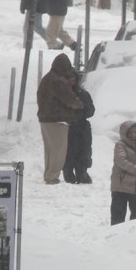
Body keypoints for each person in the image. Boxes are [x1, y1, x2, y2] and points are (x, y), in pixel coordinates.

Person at [36, 54, 84, 185]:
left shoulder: (47, 78)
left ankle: (49, 174)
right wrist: (79, 104)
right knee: (59, 151)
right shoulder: (58, 81)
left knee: (50, 150)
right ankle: (52, 177)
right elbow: (69, 99)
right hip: (57, 120)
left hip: (44, 119)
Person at [110, 120, 136, 224]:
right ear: (124, 133)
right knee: (118, 217)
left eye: (135, 132)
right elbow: (121, 161)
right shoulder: (120, 145)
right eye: (130, 132)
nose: (133, 135)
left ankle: (133, 238)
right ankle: (116, 238)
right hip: (121, 187)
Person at [62, 76, 95, 184]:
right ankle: (68, 175)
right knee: (68, 153)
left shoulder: (83, 94)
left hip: (82, 127)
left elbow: (91, 110)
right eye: (69, 79)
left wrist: (80, 113)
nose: (71, 82)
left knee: (83, 152)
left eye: (73, 79)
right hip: (67, 127)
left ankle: (82, 173)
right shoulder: (61, 94)